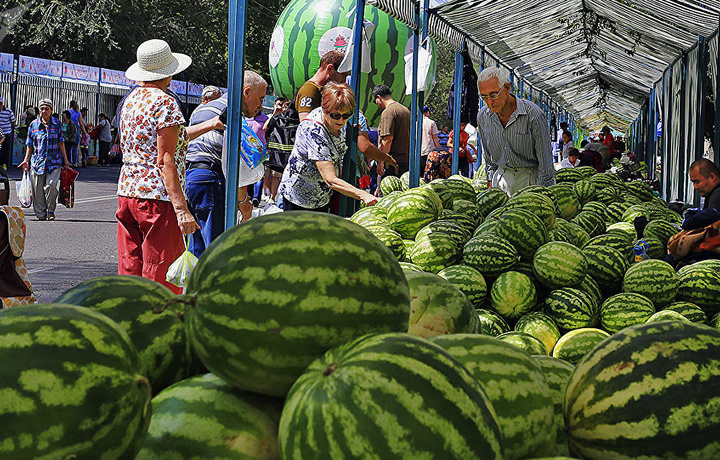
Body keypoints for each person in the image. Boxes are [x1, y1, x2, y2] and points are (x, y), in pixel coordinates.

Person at [116, 39, 222, 294]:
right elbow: (166, 160)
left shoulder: (131, 101)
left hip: (127, 192)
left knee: (130, 267)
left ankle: (130, 319)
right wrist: (182, 209)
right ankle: (158, 326)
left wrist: (211, 123)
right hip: (157, 197)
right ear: (169, 72)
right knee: (159, 272)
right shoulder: (165, 103)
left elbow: (175, 137)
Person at [185, 71, 266, 257]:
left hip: (192, 178)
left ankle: (195, 285)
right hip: (212, 179)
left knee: (198, 248)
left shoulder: (202, 108)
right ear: (246, 92)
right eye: (260, 98)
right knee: (216, 250)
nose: (261, 105)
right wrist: (243, 202)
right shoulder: (232, 112)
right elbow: (235, 162)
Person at [279, 82, 378, 211]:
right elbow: (330, 179)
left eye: (346, 115)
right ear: (324, 109)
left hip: (323, 197)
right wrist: (363, 194)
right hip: (299, 198)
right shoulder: (313, 129)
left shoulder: (340, 124)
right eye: (335, 115)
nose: (341, 120)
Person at [476, 67, 555, 195]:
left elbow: (546, 164)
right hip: (501, 181)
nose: (490, 102)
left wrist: (541, 195)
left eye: (494, 95)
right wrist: (490, 184)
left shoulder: (533, 115)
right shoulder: (483, 117)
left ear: (507, 88)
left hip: (530, 181)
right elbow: (489, 159)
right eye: (484, 97)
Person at [19, 98, 69, 221]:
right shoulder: (33, 125)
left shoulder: (57, 124)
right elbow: (29, 145)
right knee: (37, 189)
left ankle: (51, 209)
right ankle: (41, 213)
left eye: (47, 109)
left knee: (51, 186)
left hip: (54, 161)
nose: (44, 111)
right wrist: (26, 160)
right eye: (41, 109)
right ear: (39, 111)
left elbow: (61, 143)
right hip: (37, 162)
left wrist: (66, 161)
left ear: (51, 110)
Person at [295, 50, 349, 122]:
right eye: (343, 75)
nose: (344, 80)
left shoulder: (324, 89)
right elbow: (305, 125)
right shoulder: (309, 90)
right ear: (329, 68)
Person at [372, 84, 411, 177]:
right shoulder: (405, 110)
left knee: (390, 191)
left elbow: (387, 139)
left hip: (392, 163)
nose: (377, 104)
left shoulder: (388, 112)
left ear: (379, 97)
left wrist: (381, 161)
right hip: (406, 160)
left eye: (375, 101)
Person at [0, 97, 15, 174]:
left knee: (5, 150)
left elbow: (13, 121)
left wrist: (8, 130)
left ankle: (4, 164)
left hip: (6, 133)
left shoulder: (8, 111)